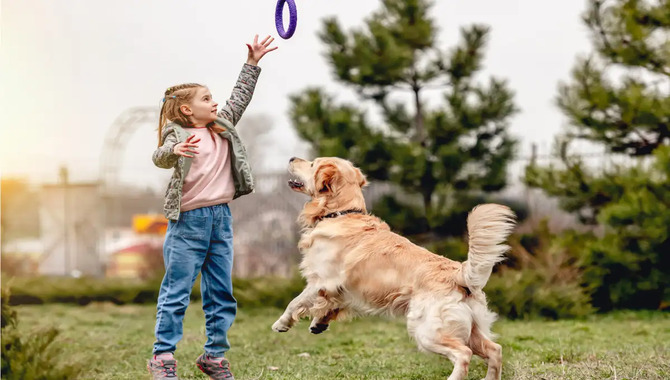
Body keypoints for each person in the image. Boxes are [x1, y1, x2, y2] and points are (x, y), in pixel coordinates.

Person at [147, 35, 277, 380]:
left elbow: (239, 97)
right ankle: (162, 357)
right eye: (207, 98)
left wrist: (252, 64)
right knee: (176, 292)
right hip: (188, 223)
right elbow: (159, 156)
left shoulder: (222, 125)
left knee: (221, 292)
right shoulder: (177, 134)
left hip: (221, 219)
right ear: (187, 109)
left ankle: (214, 357)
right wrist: (173, 152)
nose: (214, 102)